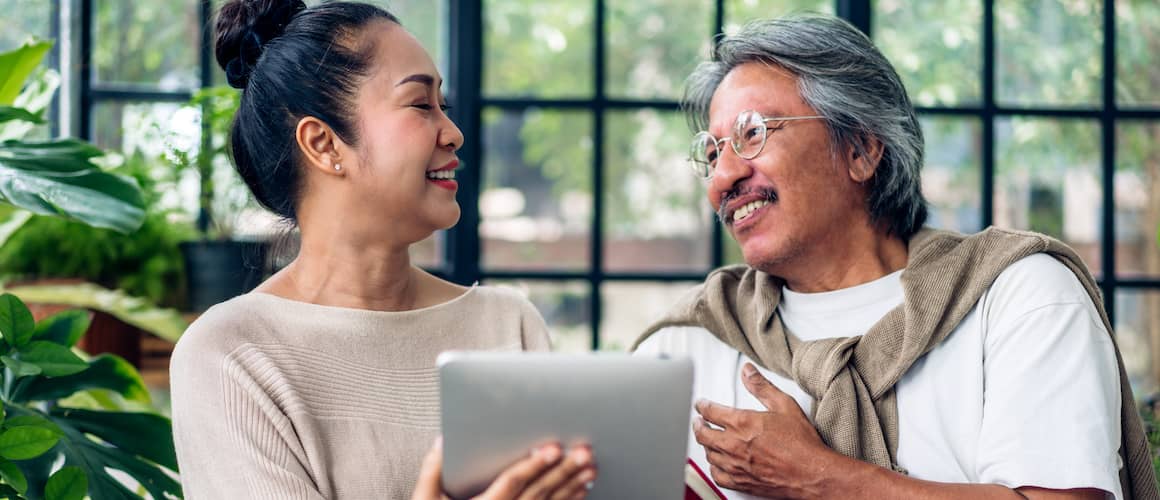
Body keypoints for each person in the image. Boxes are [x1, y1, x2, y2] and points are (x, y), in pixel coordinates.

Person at [633, 14, 1158, 500]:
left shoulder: (1017, 296)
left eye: (752, 134)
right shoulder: (686, 342)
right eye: (711, 152)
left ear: (861, 149)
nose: (722, 178)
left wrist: (819, 477)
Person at [169, 1, 596, 498]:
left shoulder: (508, 324)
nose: (453, 133)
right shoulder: (231, 353)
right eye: (420, 105)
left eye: (445, 107)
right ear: (324, 144)